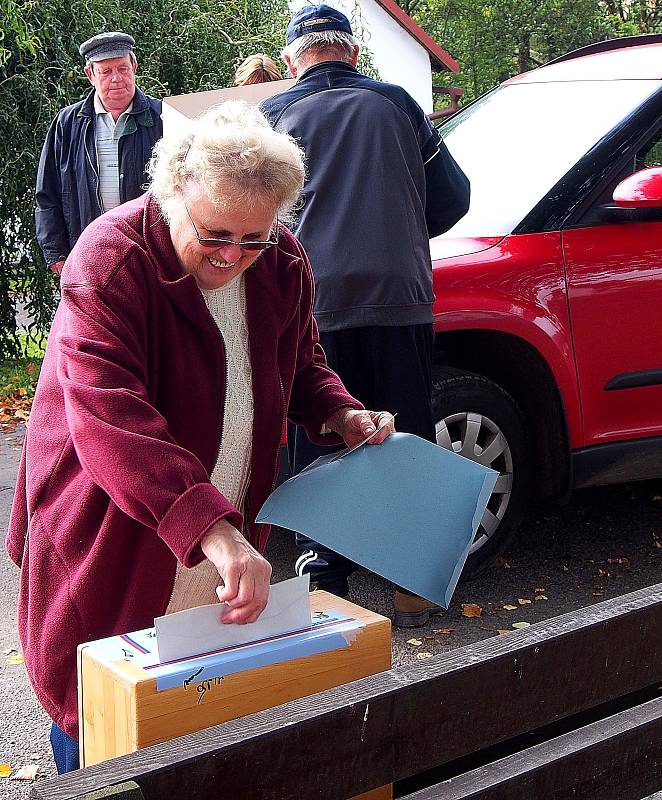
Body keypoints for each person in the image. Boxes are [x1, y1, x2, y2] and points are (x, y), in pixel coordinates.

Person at [6, 100, 394, 773]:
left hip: (220, 543)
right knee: (101, 730)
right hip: (112, 534)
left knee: (197, 715)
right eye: (215, 234)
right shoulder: (111, 258)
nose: (233, 256)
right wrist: (212, 527)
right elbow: (111, 416)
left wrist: (338, 411)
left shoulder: (282, 260)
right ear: (170, 194)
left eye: (255, 237)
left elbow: (298, 364)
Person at [261, 5, 470, 627]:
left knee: (322, 424)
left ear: (295, 57)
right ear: (352, 53)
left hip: (313, 302)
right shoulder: (400, 105)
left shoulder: (271, 117)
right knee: (403, 431)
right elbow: (454, 197)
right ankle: (411, 583)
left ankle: (325, 579)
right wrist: (402, 231)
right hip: (398, 295)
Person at [35, 31, 163, 275]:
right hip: (87, 254)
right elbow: (47, 195)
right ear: (90, 75)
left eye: (123, 68)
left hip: (151, 255)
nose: (116, 79)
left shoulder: (162, 118)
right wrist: (57, 256)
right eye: (105, 71)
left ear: (134, 67)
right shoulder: (68, 123)